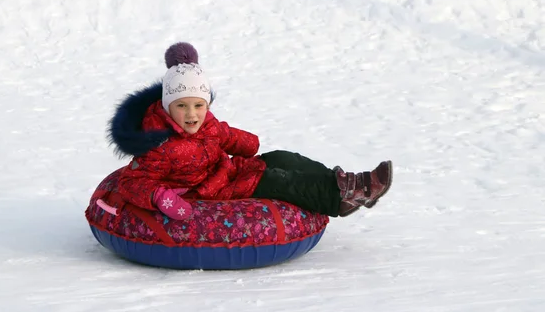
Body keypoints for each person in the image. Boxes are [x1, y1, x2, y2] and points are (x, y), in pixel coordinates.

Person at [109, 42, 392, 220]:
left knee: (283, 158)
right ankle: (342, 196)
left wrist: (249, 143)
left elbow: (225, 134)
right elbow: (131, 181)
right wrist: (161, 197)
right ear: (167, 105)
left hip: (227, 170)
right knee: (276, 179)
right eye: (181, 106)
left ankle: (343, 182)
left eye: (198, 105)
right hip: (210, 191)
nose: (191, 114)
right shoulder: (157, 143)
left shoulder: (206, 124)